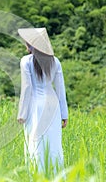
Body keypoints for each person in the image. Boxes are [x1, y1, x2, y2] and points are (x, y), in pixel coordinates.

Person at [17, 28, 68, 176]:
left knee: (35, 143)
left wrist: (22, 113)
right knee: (54, 144)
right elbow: (60, 90)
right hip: (53, 106)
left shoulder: (25, 61)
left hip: (35, 106)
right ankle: (56, 176)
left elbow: (26, 89)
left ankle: (36, 176)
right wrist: (64, 114)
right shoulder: (55, 61)